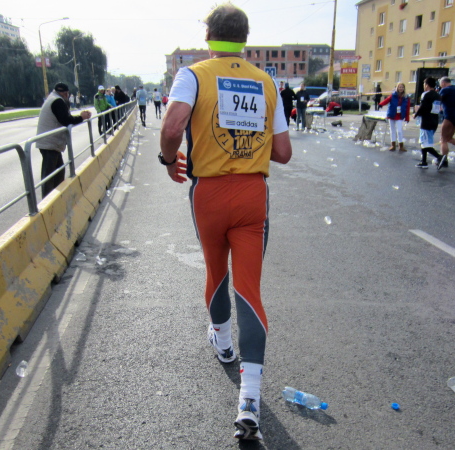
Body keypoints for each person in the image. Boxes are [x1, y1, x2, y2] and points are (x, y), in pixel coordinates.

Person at [159, 3, 292, 441]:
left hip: (209, 194)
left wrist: (168, 159)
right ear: (245, 39)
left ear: (209, 36)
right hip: (253, 194)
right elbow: (283, 153)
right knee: (249, 289)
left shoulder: (193, 75)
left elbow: (173, 127)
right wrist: (250, 143)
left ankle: (223, 343)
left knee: (216, 273)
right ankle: (249, 400)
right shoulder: (267, 82)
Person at [35, 82, 91, 198]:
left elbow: (64, 118)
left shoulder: (53, 98)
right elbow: (66, 120)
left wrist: (79, 117)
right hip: (49, 142)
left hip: (50, 142)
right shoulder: (58, 101)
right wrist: (81, 117)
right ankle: (47, 199)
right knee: (50, 174)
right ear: (66, 93)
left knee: (59, 171)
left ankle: (56, 196)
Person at [413, 77, 442, 169]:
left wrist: (416, 114)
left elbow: (423, 107)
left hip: (426, 121)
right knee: (424, 142)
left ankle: (440, 157)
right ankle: (424, 161)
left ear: (427, 85)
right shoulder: (438, 95)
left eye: (424, 84)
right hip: (434, 120)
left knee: (425, 143)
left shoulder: (426, 94)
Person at [379, 82, 410, 152]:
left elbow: (407, 108)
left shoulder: (406, 97)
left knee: (399, 131)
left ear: (404, 88)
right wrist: (381, 104)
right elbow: (387, 100)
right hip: (392, 114)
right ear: (397, 88)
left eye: (402, 87)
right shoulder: (393, 95)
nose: (401, 88)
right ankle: (393, 145)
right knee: (392, 130)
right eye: (399, 87)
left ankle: (401, 145)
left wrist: (407, 117)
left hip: (400, 116)